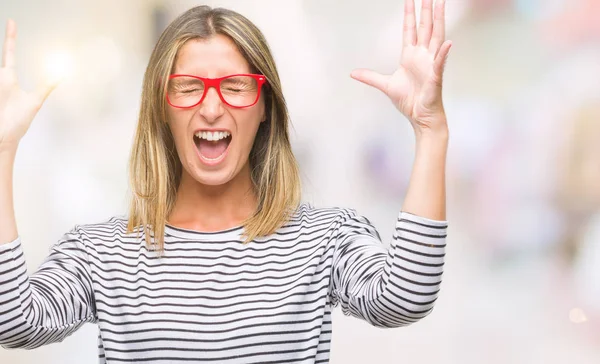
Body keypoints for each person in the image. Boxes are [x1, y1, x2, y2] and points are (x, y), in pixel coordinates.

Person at [0, 1, 451, 363]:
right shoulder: (100, 253)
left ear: (265, 107)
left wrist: (430, 131)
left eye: (235, 86)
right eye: (188, 86)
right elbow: (14, 322)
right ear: (162, 107)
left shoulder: (324, 239)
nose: (212, 108)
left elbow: (404, 299)